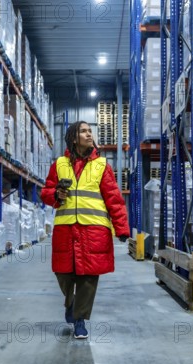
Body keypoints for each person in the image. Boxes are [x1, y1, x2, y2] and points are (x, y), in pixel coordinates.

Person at [41, 121, 130, 340]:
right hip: (66, 230)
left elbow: (114, 199)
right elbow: (45, 191)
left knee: (88, 279)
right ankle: (71, 305)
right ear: (73, 138)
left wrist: (122, 228)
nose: (89, 134)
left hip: (93, 231)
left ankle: (80, 320)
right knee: (63, 274)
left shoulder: (101, 165)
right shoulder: (59, 164)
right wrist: (55, 195)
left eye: (90, 131)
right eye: (83, 131)